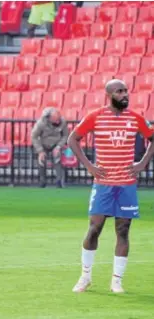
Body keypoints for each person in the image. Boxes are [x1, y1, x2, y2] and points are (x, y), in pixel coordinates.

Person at [68, 79, 154, 293]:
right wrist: (89, 166)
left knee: (123, 230)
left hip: (126, 184)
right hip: (103, 183)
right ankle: (85, 276)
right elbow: (73, 139)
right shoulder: (96, 117)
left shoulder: (135, 119)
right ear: (109, 95)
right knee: (94, 228)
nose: (125, 95)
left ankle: (117, 280)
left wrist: (143, 162)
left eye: (126, 91)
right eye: (119, 91)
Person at [31, 107, 69, 188]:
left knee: (57, 158)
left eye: (58, 118)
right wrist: (40, 151)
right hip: (44, 144)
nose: (58, 121)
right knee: (41, 159)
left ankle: (59, 182)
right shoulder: (40, 123)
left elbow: (65, 136)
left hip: (56, 143)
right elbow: (34, 136)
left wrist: (59, 146)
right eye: (55, 119)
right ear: (49, 118)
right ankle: (42, 181)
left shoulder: (62, 122)